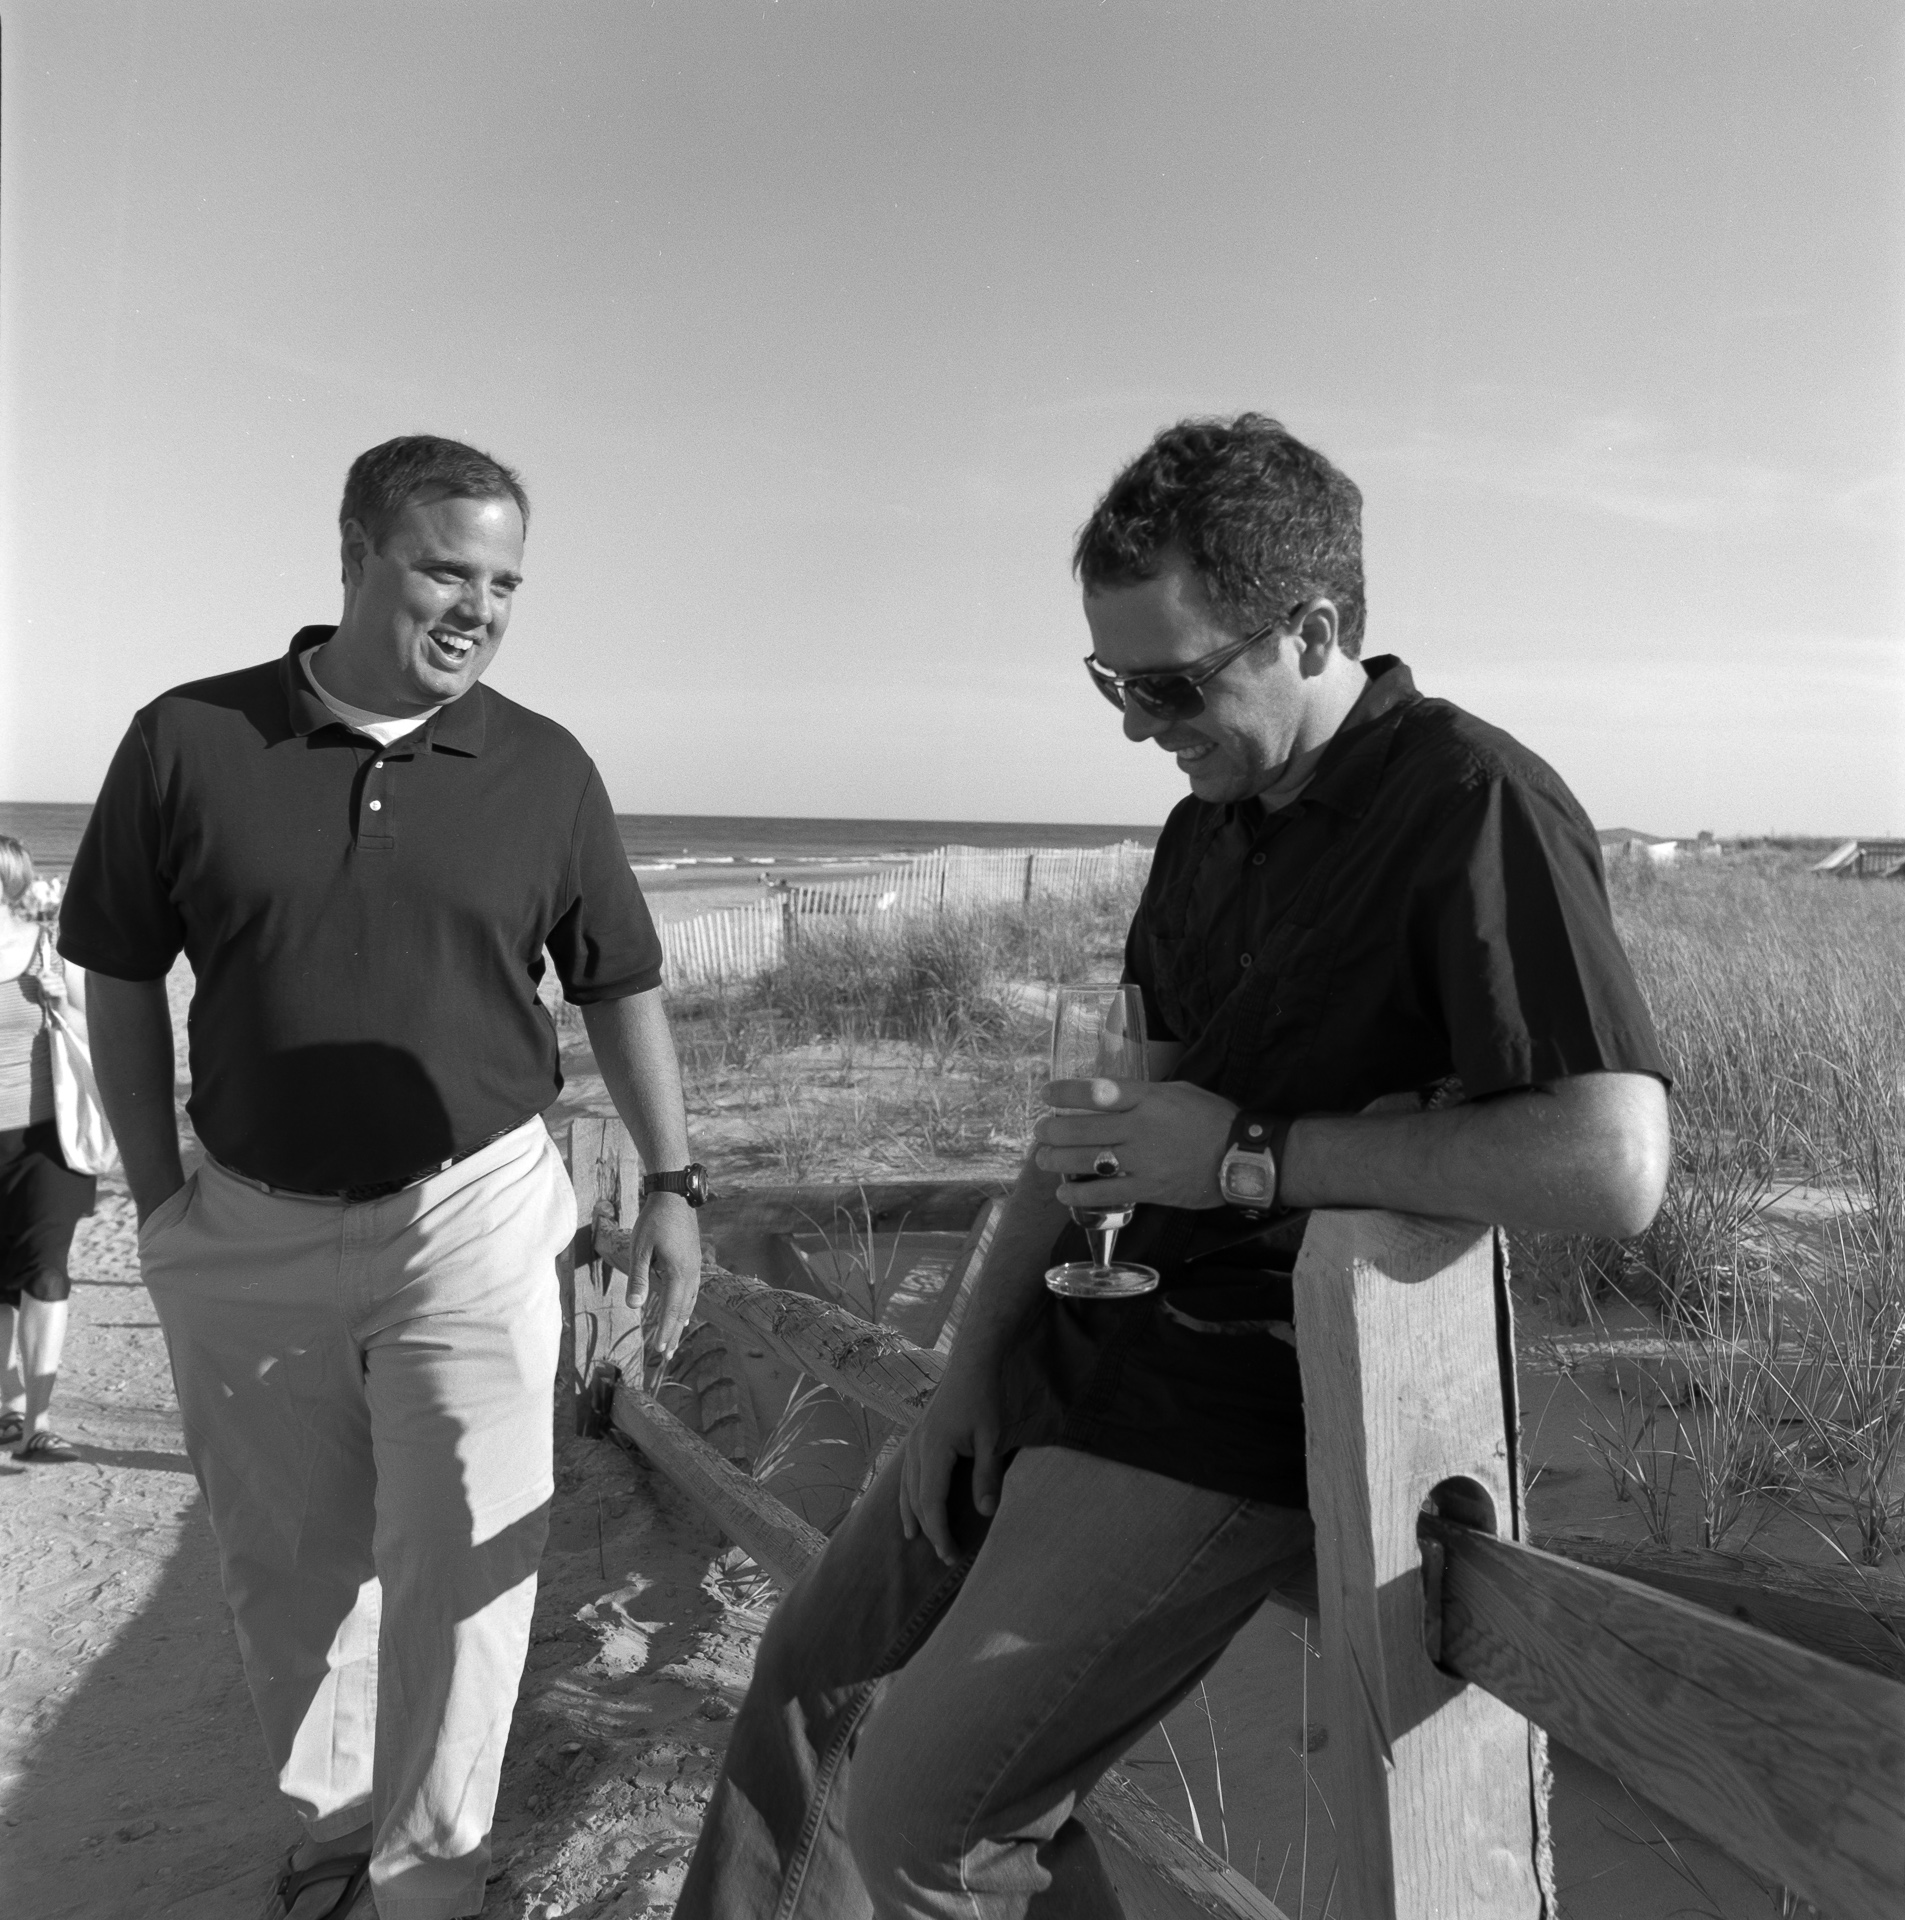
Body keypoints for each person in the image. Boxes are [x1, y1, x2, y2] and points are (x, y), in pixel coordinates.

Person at [678, 413, 1672, 1920]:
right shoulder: (1203, 827)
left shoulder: (1472, 804)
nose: (1138, 724)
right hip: (1085, 1345)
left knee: (929, 1819)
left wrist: (1254, 1158)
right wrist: (969, 1370)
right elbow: (1091, 1127)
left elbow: (1614, 1162)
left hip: (1240, 1393)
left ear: (1315, 629)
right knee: (805, 1684)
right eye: (1110, 683)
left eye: (1168, 682)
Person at [61, 437, 711, 1920]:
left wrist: (676, 1181)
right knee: (287, 1571)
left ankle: (427, 1885)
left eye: (503, 582)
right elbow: (112, 970)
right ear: (353, 553)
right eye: (444, 568)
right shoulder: (186, 738)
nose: (477, 606)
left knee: (464, 1571)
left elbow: (620, 985)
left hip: (472, 1218)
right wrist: (162, 1202)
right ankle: (329, 1842)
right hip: (245, 1227)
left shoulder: (543, 765)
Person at [0, 836, 94, 1465]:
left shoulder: (46, 946)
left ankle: (40, 1422)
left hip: (45, 1137)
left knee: (46, 1267)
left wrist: (61, 996)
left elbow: (96, 1025)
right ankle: (6, 1413)